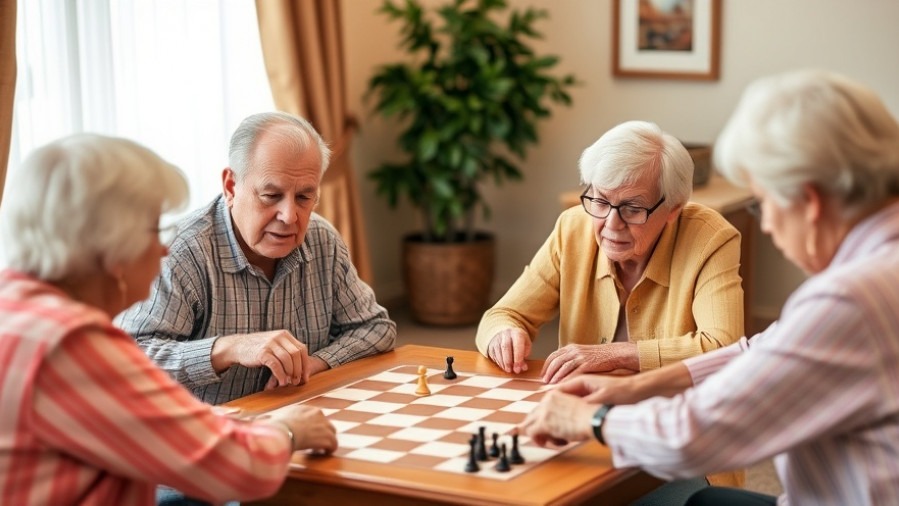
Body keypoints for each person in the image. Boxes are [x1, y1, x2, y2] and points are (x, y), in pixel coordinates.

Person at [518, 69, 899, 506]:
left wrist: (593, 420)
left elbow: (695, 437)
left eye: (764, 203)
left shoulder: (850, 299)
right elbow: (758, 350)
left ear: (809, 202)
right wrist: (632, 388)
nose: (769, 225)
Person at [0, 134, 338, 505]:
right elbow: (231, 469)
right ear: (114, 250)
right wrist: (289, 431)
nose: (164, 248)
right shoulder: (74, 344)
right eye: (155, 229)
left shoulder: (13, 308)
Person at [117, 111, 396, 405]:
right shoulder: (184, 251)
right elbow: (126, 361)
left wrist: (315, 364)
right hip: (205, 434)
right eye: (271, 195)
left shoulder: (322, 239)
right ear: (230, 187)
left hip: (300, 416)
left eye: (304, 197)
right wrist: (229, 348)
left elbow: (375, 328)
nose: (289, 217)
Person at [476, 120, 744, 385]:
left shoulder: (710, 238)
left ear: (673, 208)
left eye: (633, 209)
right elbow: (502, 315)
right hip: (582, 405)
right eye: (601, 201)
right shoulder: (572, 228)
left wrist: (616, 354)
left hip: (670, 410)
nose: (611, 224)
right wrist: (503, 335)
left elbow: (725, 348)